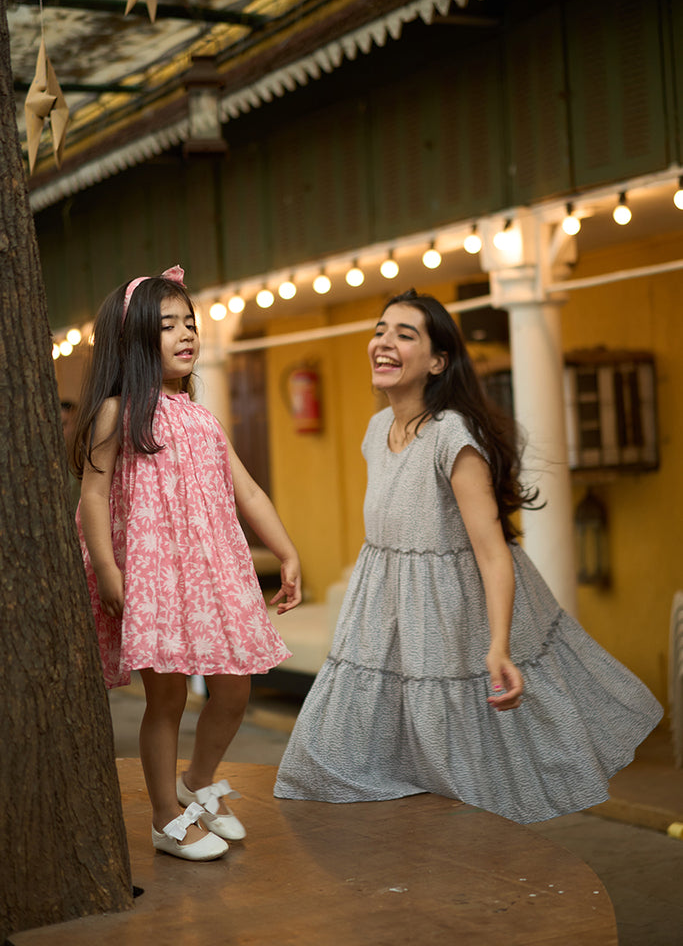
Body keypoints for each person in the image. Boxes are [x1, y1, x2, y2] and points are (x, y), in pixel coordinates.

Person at [274, 289, 663, 823]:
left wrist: (499, 646)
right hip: (385, 620)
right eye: (380, 330)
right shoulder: (373, 432)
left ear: (438, 362)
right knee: (347, 764)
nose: (384, 342)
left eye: (405, 334)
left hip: (450, 623)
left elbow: (493, 552)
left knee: (465, 779)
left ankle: (480, 881)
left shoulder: (452, 435)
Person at [74, 266, 301, 861]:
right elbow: (93, 497)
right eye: (167, 324)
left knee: (235, 689)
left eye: (189, 322)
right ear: (134, 341)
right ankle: (163, 815)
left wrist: (286, 550)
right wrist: (106, 569)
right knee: (167, 699)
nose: (185, 334)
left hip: (214, 573)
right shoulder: (117, 413)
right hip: (155, 575)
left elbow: (247, 491)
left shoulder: (202, 416)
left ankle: (197, 782)